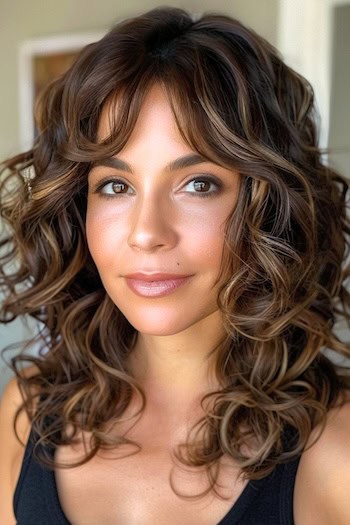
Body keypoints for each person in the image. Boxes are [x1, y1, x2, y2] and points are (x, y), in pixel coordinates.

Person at [0, 5, 350, 524]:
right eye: (115, 186)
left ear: (268, 205)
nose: (146, 233)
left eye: (198, 184)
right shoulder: (27, 409)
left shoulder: (339, 450)